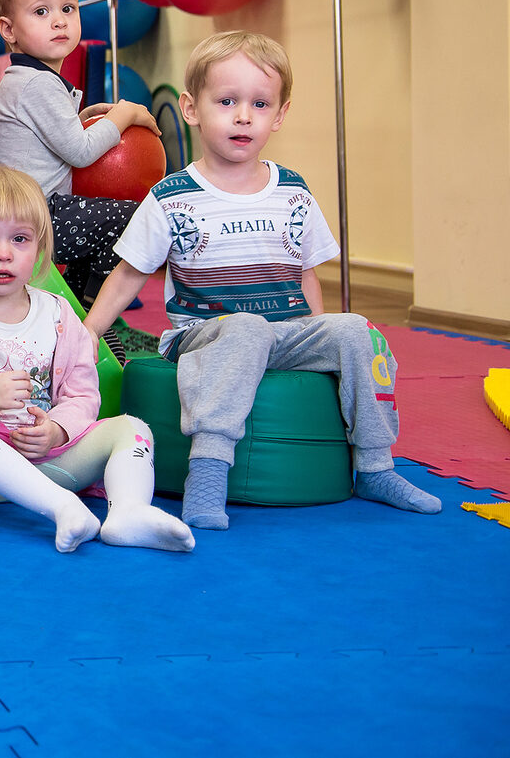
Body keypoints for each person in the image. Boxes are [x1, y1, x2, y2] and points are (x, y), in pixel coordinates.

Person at [83, 31, 441, 529]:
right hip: (205, 334)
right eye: (226, 101)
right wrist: (86, 335)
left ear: (280, 114)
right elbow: (128, 275)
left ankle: (376, 465)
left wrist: (322, 342)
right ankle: (207, 474)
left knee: (355, 329)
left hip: (287, 332)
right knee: (246, 326)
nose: (243, 115)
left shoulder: (292, 190)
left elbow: (306, 274)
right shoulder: (173, 195)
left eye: (260, 103)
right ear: (191, 108)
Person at [0, 164, 194, 553]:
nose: (4, 253)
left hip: (45, 464)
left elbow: (83, 397)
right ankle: (62, 507)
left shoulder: (59, 314)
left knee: (132, 427)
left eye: (20, 239)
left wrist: (57, 432)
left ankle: (129, 513)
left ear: (39, 246)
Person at [0, 0, 159, 330]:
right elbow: (79, 153)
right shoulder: (36, 83)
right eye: (41, 12)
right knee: (133, 220)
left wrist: (83, 118)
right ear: (9, 30)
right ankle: (98, 316)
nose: (59, 20)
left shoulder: (31, 80)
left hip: (30, 211)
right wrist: (125, 113)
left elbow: (47, 144)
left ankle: (83, 313)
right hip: (33, 218)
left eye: (68, 8)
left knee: (98, 224)